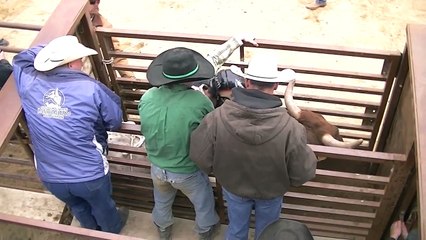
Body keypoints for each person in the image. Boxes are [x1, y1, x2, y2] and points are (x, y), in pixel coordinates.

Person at [138, 35, 258, 240]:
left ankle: (163, 228)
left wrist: (235, 41)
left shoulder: (147, 96)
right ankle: (205, 230)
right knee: (203, 203)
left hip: (157, 166)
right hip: (187, 171)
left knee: (162, 199)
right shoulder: (199, 102)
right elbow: (212, 128)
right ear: (192, 78)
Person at [189, 54, 317, 240]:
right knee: (267, 233)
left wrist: (221, 172)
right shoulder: (292, 128)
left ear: (247, 82)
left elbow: (200, 156)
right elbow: (302, 173)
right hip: (271, 193)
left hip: (233, 188)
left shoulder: (216, 118)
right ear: (275, 86)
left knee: (236, 229)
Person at [12, 35, 128, 234]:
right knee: (103, 206)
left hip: (50, 174)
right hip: (89, 174)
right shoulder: (92, 89)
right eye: (78, 58)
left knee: (77, 206)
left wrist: (49, 51)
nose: (82, 61)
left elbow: (21, 59)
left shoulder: (29, 81)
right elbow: (115, 121)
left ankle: (89, 230)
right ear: (69, 63)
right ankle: (111, 230)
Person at [88, 0, 135, 78]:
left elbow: (115, 52)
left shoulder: (103, 24)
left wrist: (129, 77)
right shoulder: (69, 22)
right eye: (92, 2)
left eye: (98, 1)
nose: (97, 4)